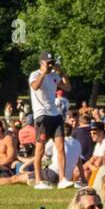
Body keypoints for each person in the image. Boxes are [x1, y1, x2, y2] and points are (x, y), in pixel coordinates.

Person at [28, 51, 70, 189]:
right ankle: (39, 181)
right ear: (41, 62)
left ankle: (63, 179)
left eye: (52, 62)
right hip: (42, 116)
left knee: (61, 147)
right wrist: (43, 72)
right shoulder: (35, 75)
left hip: (55, 115)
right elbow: (35, 86)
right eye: (48, 62)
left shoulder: (54, 76)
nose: (51, 65)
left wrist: (61, 73)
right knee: (40, 149)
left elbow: (68, 87)